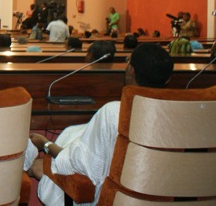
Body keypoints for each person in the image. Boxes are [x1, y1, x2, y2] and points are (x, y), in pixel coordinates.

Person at [25, 43, 174, 205]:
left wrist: (45, 144)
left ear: (131, 70)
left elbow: (80, 166)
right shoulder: (177, 114)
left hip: (115, 199)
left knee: (43, 167)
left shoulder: (114, 112)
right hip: (162, 196)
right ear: (167, 79)